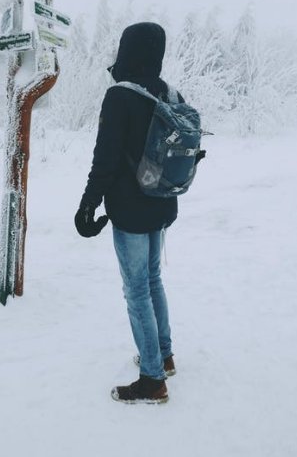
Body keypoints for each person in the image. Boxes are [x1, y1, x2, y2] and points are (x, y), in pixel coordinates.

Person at [74, 22, 182, 405]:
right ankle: (163, 356)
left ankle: (152, 379)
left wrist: (88, 205)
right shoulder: (168, 92)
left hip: (131, 211)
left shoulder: (120, 96)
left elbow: (104, 159)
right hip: (162, 204)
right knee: (152, 279)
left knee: (137, 289)